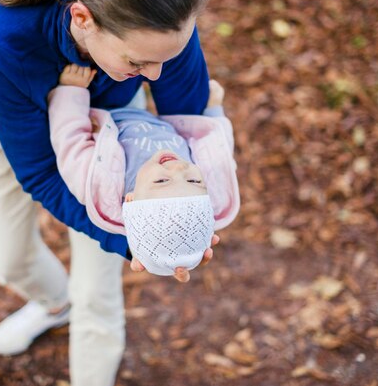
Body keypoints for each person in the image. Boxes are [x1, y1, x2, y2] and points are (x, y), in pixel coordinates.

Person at [0, 0, 220, 385]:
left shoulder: (163, 22)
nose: (156, 76)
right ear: (82, 19)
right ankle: (53, 304)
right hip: (19, 133)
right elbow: (42, 173)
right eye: (138, 62)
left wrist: (150, 223)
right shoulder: (3, 41)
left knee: (94, 293)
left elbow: (188, 121)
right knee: (9, 260)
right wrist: (119, 233)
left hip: (116, 146)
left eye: (165, 59)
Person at [47, 64, 240, 276]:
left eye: (162, 181)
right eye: (194, 182)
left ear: (130, 199)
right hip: (138, 106)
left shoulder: (102, 185)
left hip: (96, 111)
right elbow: (214, 148)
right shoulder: (212, 191)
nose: (178, 167)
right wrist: (213, 110)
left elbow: (70, 140)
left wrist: (71, 93)